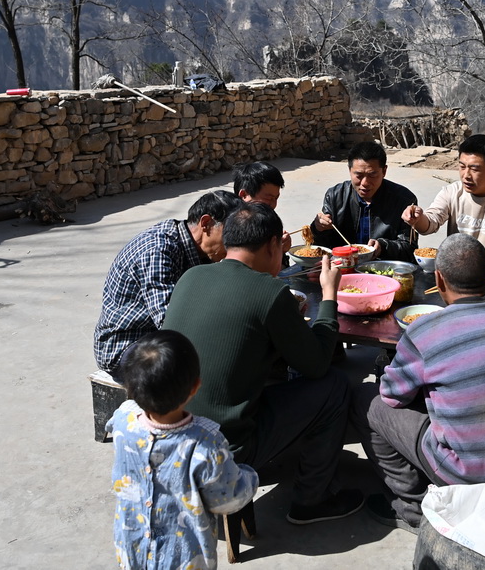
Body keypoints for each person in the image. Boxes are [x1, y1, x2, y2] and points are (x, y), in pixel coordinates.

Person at [162, 202, 364, 525]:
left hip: (172, 434)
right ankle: (311, 499)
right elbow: (317, 363)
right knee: (336, 386)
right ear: (273, 245)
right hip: (226, 446)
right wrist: (329, 295)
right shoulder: (269, 292)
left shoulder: (190, 277)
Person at [352, 234, 485, 533]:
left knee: (365, 399)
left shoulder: (425, 330)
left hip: (469, 479)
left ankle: (413, 507)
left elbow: (392, 396)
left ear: (439, 279)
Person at [108, 330, 259, 570]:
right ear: (195, 387)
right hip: (184, 561)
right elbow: (227, 500)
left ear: (131, 387)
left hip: (132, 552)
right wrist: (250, 477)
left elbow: (113, 422)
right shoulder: (205, 445)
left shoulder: (122, 419)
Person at [94, 190, 241, 381]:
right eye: (229, 237)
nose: (233, 246)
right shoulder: (157, 250)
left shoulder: (198, 250)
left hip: (157, 336)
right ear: (206, 224)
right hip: (127, 346)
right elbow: (170, 322)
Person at [402, 134, 485, 250]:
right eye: (462, 167)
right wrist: (418, 219)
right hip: (455, 269)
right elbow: (430, 223)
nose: (466, 175)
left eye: (474, 169)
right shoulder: (452, 192)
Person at [311, 141, 419, 262]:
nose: (365, 183)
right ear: (349, 170)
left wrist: (383, 247)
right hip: (342, 267)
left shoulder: (404, 199)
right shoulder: (335, 196)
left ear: (384, 171)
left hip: (384, 269)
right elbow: (321, 247)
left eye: (372, 175)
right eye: (358, 175)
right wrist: (318, 228)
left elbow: (410, 249)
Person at [234, 160, 291, 252]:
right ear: (244, 195)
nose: (273, 205)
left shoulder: (269, 222)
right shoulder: (229, 229)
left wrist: (280, 252)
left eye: (276, 198)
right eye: (269, 198)